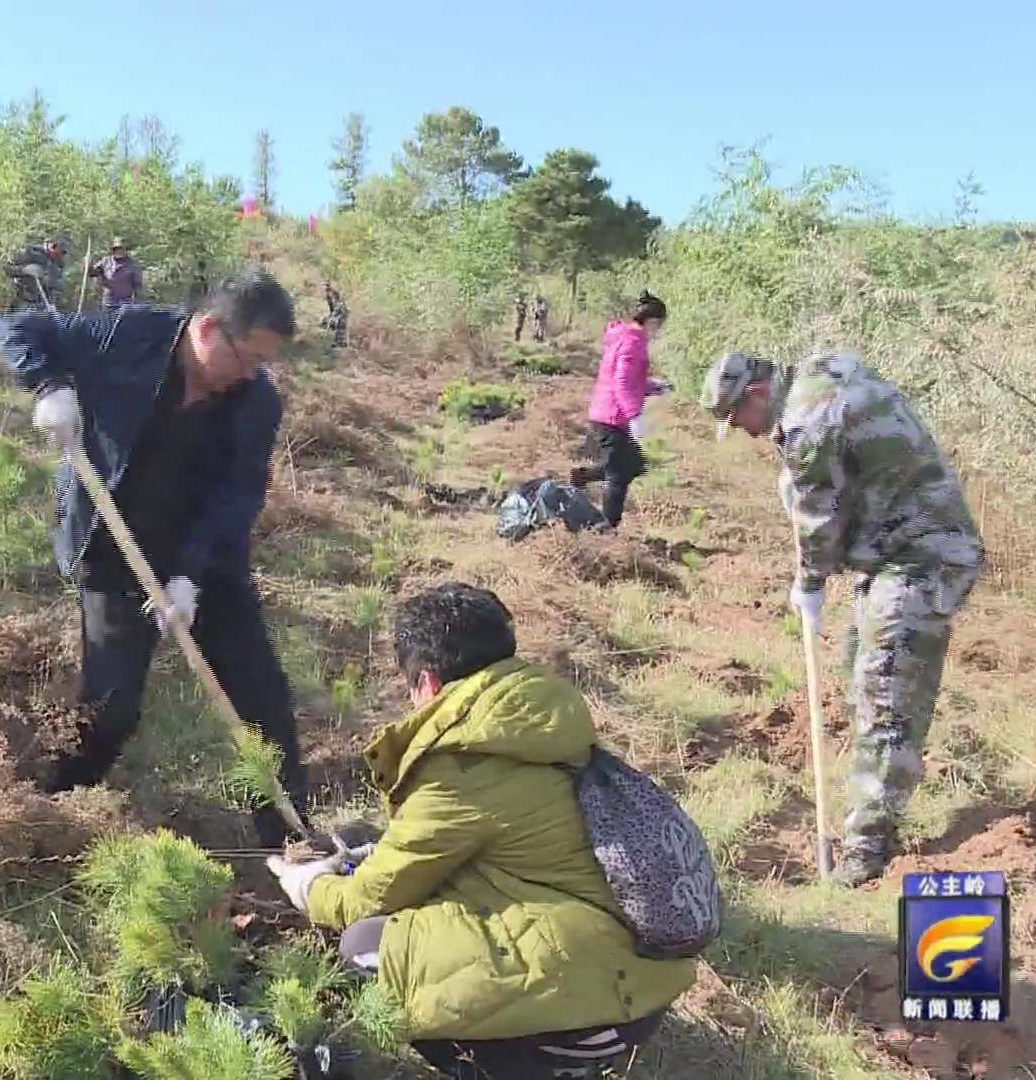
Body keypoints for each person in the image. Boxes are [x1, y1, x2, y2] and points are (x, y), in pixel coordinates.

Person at [265, 583, 695, 1078]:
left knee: (365, 944)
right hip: (638, 979)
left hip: (593, 1009)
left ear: (426, 682)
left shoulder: (468, 765)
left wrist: (309, 887)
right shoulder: (535, 722)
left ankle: (522, 1060)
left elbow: (365, 900)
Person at [0, 266, 308, 846]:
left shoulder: (256, 402)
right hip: (113, 546)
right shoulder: (131, 335)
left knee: (262, 700)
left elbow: (237, 495)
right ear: (209, 330)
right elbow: (22, 327)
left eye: (263, 363)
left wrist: (190, 574)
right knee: (111, 710)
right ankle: (57, 807)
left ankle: (288, 838)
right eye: (247, 358)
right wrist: (50, 387)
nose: (252, 374)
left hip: (204, 557)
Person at [702, 350, 983, 884]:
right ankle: (876, 809)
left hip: (921, 556)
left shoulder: (806, 421)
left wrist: (809, 584)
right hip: (895, 551)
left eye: (737, 420)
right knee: (860, 665)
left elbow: (818, 524)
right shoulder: (820, 376)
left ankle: (867, 847)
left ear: (757, 395)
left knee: (884, 691)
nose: (744, 433)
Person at [574, 292, 668, 530]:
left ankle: (583, 476)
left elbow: (629, 380)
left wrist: (653, 387)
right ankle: (606, 528)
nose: (658, 331)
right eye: (659, 325)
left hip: (608, 413)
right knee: (619, 475)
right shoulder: (633, 341)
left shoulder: (624, 337)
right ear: (652, 321)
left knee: (636, 463)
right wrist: (635, 415)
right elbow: (622, 382)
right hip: (613, 416)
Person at [4, 237, 69, 312]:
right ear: (54, 246)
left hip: (41, 309)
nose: (61, 255)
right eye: (61, 252)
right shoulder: (30, 251)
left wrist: (52, 304)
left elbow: (55, 288)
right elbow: (6, 268)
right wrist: (24, 270)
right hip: (22, 303)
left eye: (64, 253)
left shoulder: (58, 265)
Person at [86, 237, 145, 310]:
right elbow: (92, 273)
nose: (119, 251)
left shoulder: (132, 265)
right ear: (113, 250)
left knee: (124, 320)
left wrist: (138, 304)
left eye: (121, 249)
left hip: (125, 303)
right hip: (108, 302)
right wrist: (88, 265)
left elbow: (138, 286)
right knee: (108, 320)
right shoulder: (105, 261)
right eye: (117, 249)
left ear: (125, 250)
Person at [322, 281, 349, 348]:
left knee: (340, 326)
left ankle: (341, 343)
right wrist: (331, 315)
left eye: (325, 285)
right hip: (339, 310)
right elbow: (331, 307)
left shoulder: (332, 293)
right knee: (338, 327)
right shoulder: (328, 295)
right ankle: (339, 343)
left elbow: (338, 304)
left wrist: (333, 315)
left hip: (341, 310)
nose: (323, 287)